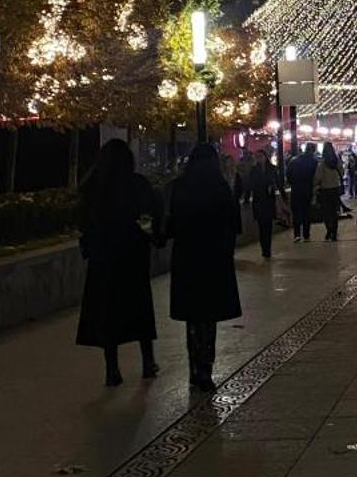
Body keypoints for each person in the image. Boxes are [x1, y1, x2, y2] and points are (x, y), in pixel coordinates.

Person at [76, 138, 162, 387]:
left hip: (103, 255)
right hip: (132, 253)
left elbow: (82, 222)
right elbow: (154, 210)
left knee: (107, 311)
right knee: (140, 307)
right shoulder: (136, 184)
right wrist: (154, 236)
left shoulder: (92, 187)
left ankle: (112, 369)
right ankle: (148, 362)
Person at [166, 141, 241, 392]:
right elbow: (234, 223)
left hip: (187, 259)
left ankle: (193, 367)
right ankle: (205, 369)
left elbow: (170, 224)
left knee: (192, 318)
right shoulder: (219, 188)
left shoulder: (179, 188)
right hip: (214, 259)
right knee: (208, 318)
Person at [242, 141, 282, 259]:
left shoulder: (272, 169)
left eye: (261, 156)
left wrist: (283, 195)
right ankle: (264, 249)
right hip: (259, 201)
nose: (259, 159)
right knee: (261, 226)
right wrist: (246, 198)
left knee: (268, 226)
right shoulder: (254, 170)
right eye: (257, 157)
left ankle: (267, 248)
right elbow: (249, 185)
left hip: (269, 201)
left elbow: (278, 183)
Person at [287, 140, 318, 241]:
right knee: (306, 213)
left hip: (296, 189)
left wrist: (294, 183)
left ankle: (297, 234)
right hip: (307, 190)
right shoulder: (314, 162)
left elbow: (288, 176)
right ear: (313, 150)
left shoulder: (294, 160)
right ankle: (306, 235)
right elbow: (316, 177)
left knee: (296, 213)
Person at [314, 140, 344, 240]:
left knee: (326, 212)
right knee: (334, 211)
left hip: (325, 190)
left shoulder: (322, 163)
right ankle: (334, 232)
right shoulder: (337, 161)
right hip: (335, 188)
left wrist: (316, 184)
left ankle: (329, 231)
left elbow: (318, 177)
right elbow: (342, 172)